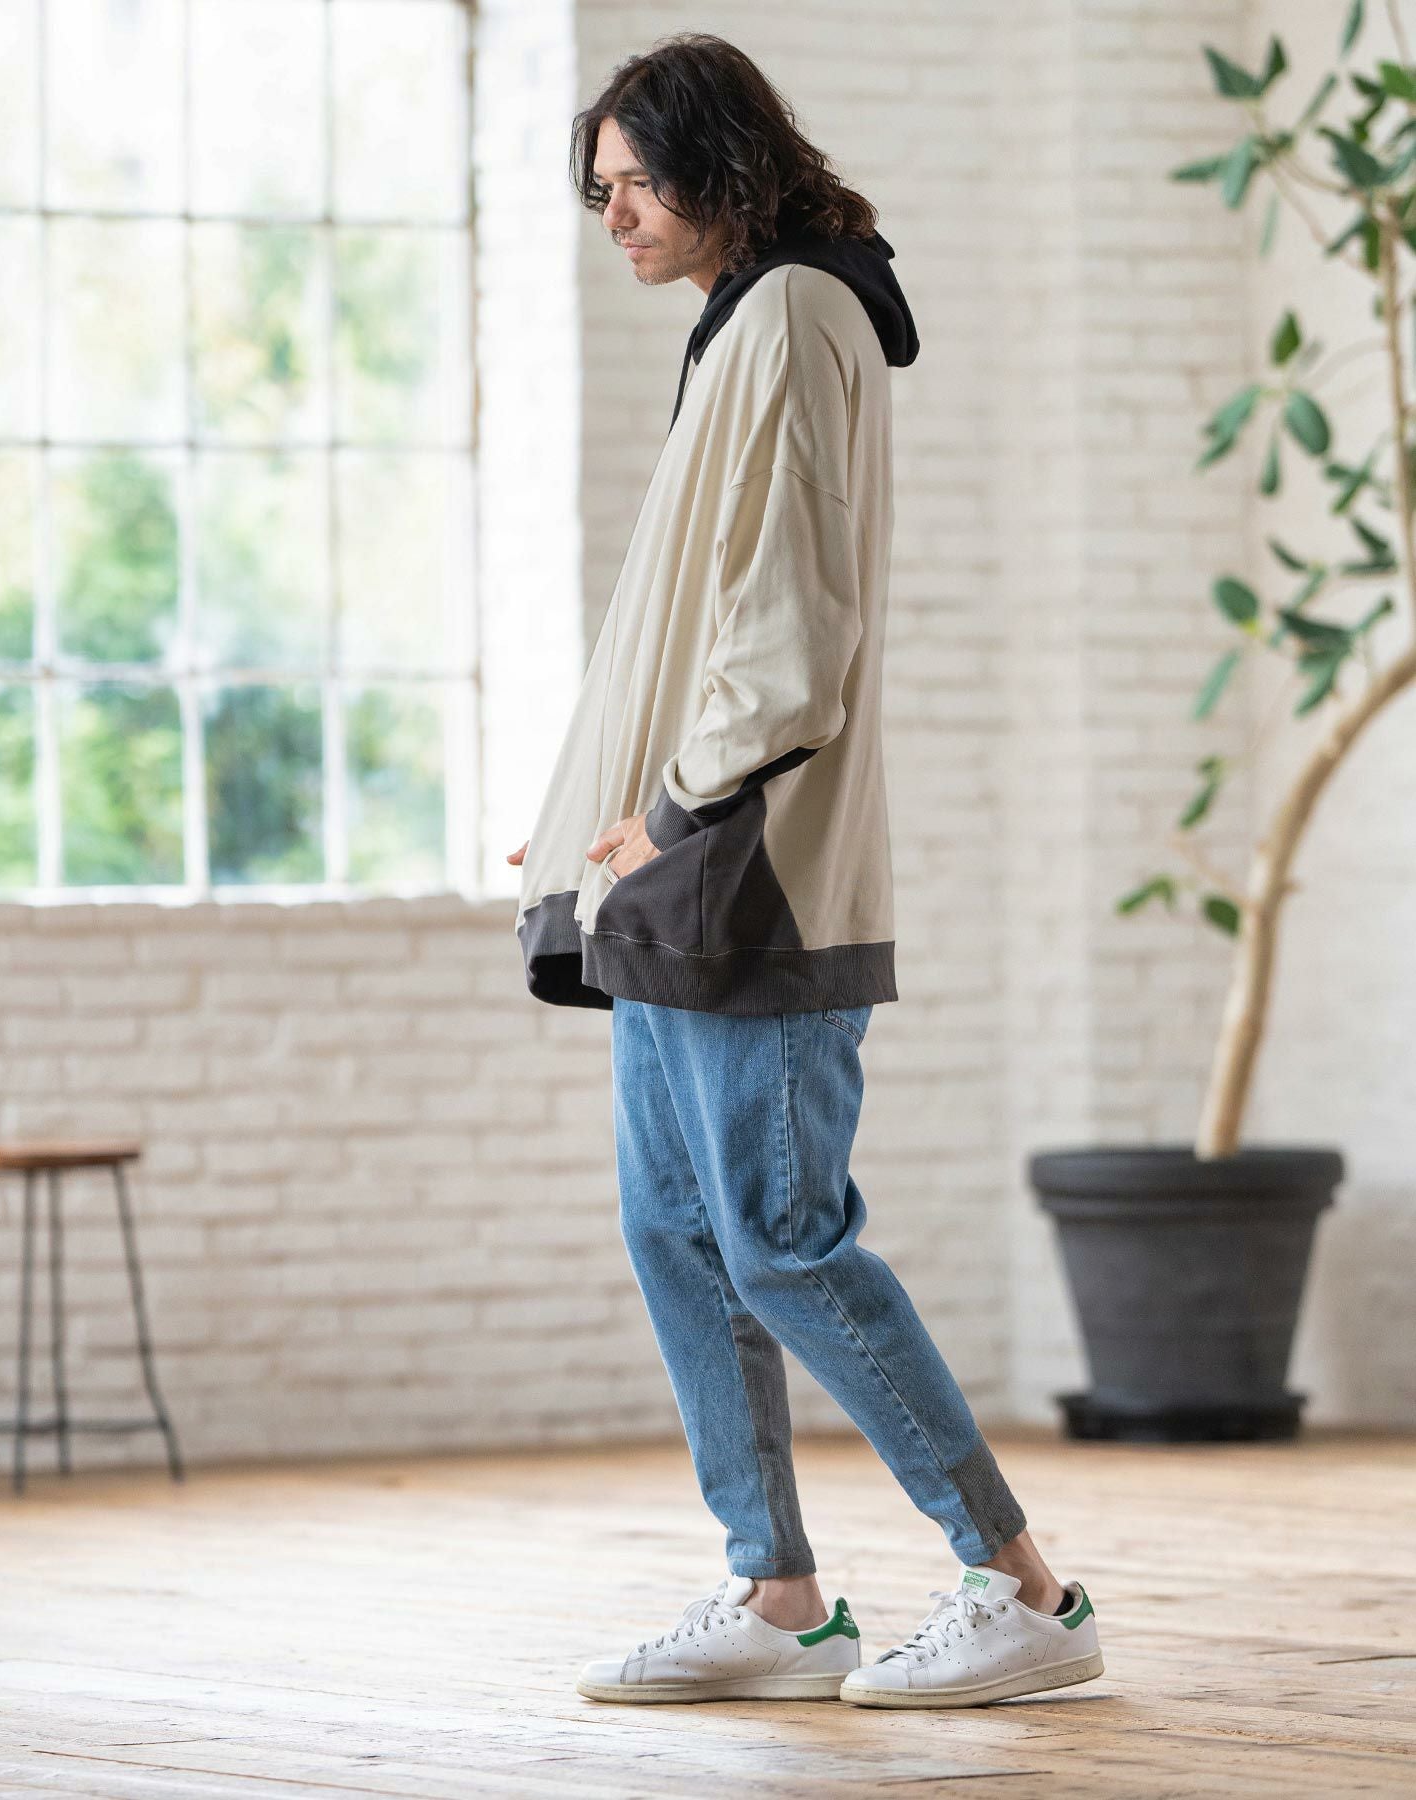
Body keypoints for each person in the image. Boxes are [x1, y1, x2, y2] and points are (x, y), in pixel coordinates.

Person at [508, 32, 1104, 1708]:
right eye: (598, 193)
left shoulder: (790, 316)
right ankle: (777, 1595)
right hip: (674, 864)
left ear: (719, 166)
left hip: (749, 862)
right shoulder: (742, 322)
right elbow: (679, 619)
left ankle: (1026, 1593)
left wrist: (672, 802)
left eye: (636, 184)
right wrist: (594, 811)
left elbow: (789, 628)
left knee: (778, 1237)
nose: (616, 219)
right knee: (678, 1230)